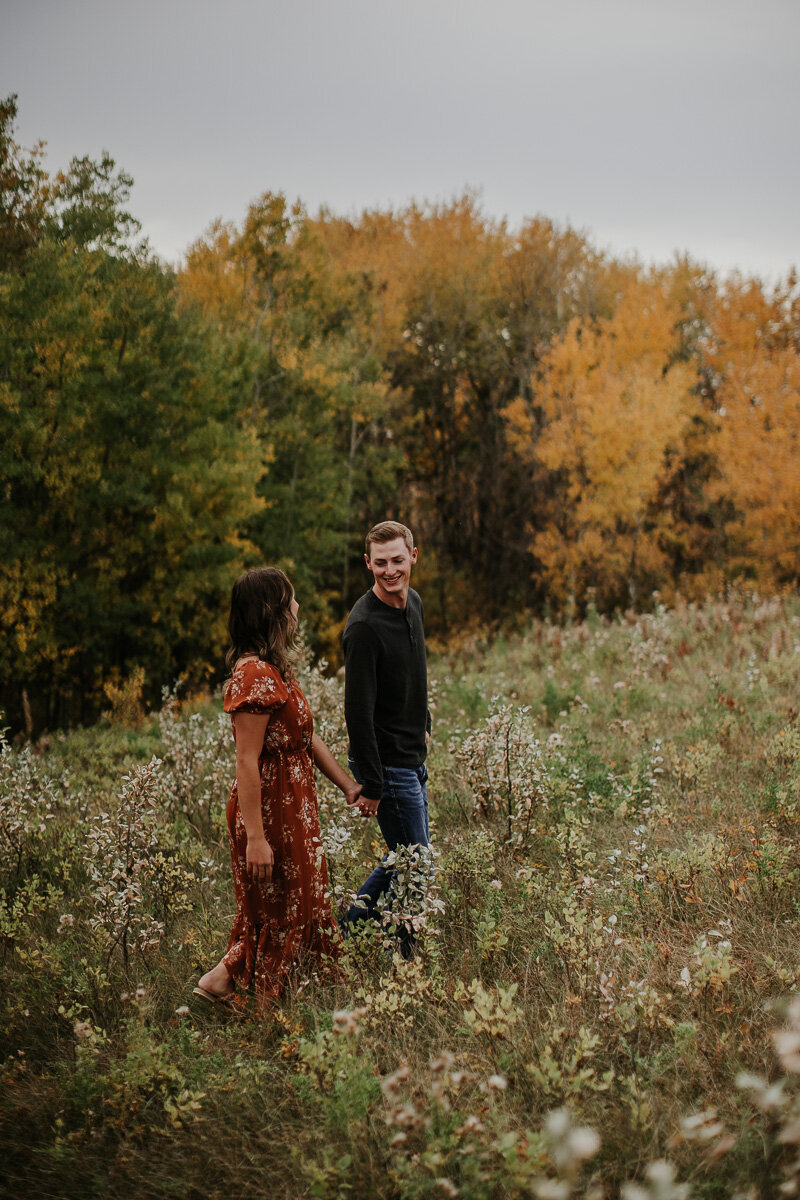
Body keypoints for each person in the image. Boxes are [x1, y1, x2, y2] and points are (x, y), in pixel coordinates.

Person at [194, 567, 361, 1009]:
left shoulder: (276, 670)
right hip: (268, 814)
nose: (298, 608)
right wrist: (256, 839)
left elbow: (305, 738)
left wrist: (347, 785)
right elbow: (246, 761)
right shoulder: (253, 677)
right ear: (272, 610)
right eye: (291, 599)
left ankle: (249, 986)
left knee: (303, 905)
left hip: (294, 809)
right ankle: (237, 988)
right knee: (279, 911)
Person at [341, 521, 431, 952]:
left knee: (404, 858)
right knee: (416, 864)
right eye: (380, 563)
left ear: (413, 556)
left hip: (411, 755)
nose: (390, 570)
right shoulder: (364, 628)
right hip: (387, 764)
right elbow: (357, 713)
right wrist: (373, 783)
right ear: (368, 564)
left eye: (398, 560)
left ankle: (343, 933)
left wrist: (424, 725)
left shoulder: (412, 602)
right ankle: (407, 959)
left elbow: (414, 673)